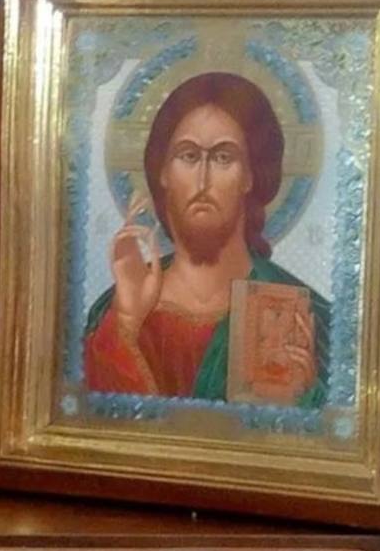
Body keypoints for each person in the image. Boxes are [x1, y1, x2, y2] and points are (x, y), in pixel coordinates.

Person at [83, 71, 329, 405]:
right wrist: (124, 325)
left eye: (223, 157)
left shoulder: (304, 317)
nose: (203, 180)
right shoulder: (116, 309)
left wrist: (306, 396)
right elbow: (95, 422)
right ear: (163, 172)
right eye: (188, 155)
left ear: (250, 176)